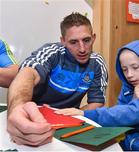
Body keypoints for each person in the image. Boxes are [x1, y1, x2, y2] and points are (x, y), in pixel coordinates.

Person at [7, 12, 108, 146]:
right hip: (34, 118)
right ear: (63, 41)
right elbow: (27, 73)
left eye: (86, 40)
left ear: (93, 38)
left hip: (68, 124)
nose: (82, 49)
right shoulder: (52, 52)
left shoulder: (97, 63)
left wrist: (75, 114)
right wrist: (16, 110)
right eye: (73, 42)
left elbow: (96, 102)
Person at [56, 40, 139, 151]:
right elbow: (121, 112)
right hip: (129, 147)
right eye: (124, 69)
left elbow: (131, 113)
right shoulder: (129, 86)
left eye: (135, 67)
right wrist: (134, 99)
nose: (129, 75)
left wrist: (85, 114)